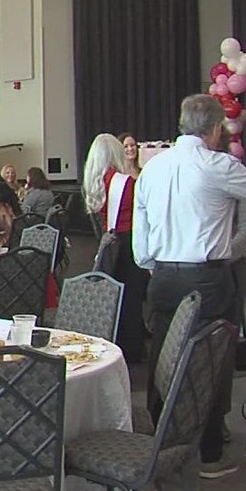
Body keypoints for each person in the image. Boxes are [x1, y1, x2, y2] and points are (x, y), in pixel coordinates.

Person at [134, 94, 246, 479]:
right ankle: (208, 452)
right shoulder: (218, 165)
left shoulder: (152, 169)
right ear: (217, 128)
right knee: (211, 360)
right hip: (207, 278)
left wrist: (155, 267)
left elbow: (142, 238)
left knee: (164, 358)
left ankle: (163, 439)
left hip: (163, 278)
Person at [83, 133, 149, 362]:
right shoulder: (123, 182)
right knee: (131, 299)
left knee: (114, 297)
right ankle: (131, 351)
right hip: (128, 243)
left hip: (108, 245)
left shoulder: (93, 183)